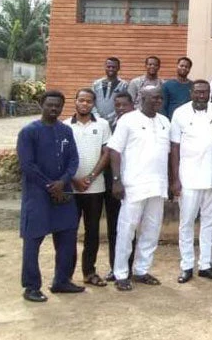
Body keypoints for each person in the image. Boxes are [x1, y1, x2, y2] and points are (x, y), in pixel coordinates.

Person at [17, 90, 82, 302]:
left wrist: (63, 182)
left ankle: (61, 281)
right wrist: (49, 185)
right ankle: (31, 287)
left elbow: (73, 159)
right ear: (41, 105)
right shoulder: (29, 132)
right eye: (50, 105)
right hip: (38, 196)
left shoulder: (65, 131)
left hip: (63, 194)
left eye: (58, 106)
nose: (54, 109)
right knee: (33, 240)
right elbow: (27, 165)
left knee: (67, 238)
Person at [107, 86, 170, 291]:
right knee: (127, 229)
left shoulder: (164, 122)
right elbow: (114, 151)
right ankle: (121, 273)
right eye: (153, 98)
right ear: (141, 98)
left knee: (152, 230)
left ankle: (142, 270)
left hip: (158, 185)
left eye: (160, 98)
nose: (157, 101)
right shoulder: (127, 120)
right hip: (133, 184)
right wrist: (116, 180)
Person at [170, 80, 212, 283]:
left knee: (210, 224)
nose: (202, 96)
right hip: (188, 179)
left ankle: (206, 265)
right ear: (191, 93)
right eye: (198, 92)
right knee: (186, 224)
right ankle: (186, 266)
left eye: (205, 93)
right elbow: (174, 148)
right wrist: (175, 179)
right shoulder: (180, 113)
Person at [66, 88, 111, 288]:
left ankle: (89, 272)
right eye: (81, 100)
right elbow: (64, 157)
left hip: (95, 188)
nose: (85, 104)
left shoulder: (102, 125)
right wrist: (75, 179)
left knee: (92, 232)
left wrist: (91, 177)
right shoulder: (65, 126)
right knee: (68, 231)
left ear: (94, 104)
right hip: (71, 188)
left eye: (89, 101)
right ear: (75, 101)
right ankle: (65, 274)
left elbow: (106, 154)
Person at [102, 92, 135, 281]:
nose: (120, 108)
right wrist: (115, 180)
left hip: (132, 183)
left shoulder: (138, 123)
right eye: (117, 105)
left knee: (131, 227)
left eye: (124, 105)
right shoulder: (110, 125)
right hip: (113, 182)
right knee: (114, 227)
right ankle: (115, 267)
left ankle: (130, 267)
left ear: (132, 105)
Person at [92, 57, 128, 122]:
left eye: (113, 67)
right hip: (97, 120)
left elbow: (125, 103)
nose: (111, 69)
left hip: (116, 120)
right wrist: (96, 116)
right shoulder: (96, 84)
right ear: (105, 67)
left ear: (118, 68)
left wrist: (113, 116)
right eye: (108, 66)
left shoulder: (124, 85)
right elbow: (91, 101)